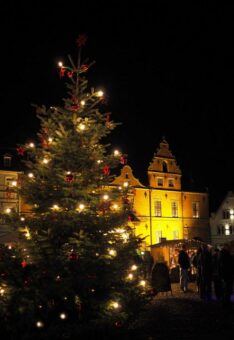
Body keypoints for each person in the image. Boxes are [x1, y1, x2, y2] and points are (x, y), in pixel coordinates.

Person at [218, 243, 234, 311]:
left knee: (226, 289)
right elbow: (227, 264)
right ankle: (226, 303)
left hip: (225, 274)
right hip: (227, 274)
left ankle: (225, 303)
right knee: (227, 290)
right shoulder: (225, 254)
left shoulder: (222, 254)